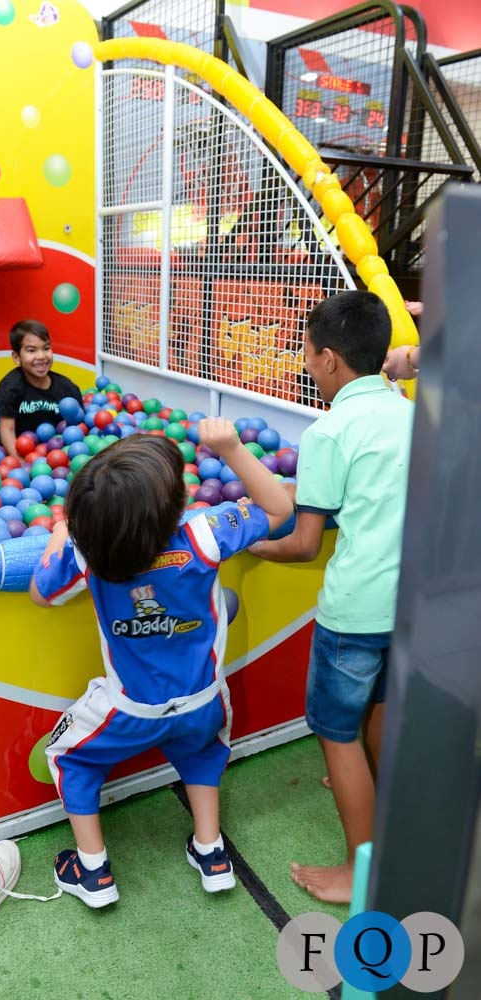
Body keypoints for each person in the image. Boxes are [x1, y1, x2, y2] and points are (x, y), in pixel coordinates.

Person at [29, 423, 294, 908]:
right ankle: (211, 852)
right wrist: (231, 448)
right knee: (204, 753)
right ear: (181, 503)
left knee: (67, 756)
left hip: (130, 709)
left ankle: (93, 871)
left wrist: (61, 535)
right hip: (204, 700)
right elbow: (280, 509)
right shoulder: (205, 533)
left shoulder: (90, 553)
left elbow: (40, 593)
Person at [250, 290, 414, 904]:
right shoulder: (409, 412)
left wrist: (251, 545)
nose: (307, 364)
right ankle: (385, 807)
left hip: (357, 608)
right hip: (412, 604)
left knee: (336, 732)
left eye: (307, 355)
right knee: (383, 705)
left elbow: (304, 544)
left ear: (330, 360)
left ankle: (360, 871)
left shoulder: (329, 431)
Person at [0, 319, 83, 457]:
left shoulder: (67, 388)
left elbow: (78, 426)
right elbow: (7, 430)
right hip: (12, 452)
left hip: (54, 452)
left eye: (46, 348)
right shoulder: (11, 386)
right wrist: (19, 462)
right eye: (31, 350)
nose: (41, 356)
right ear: (16, 357)